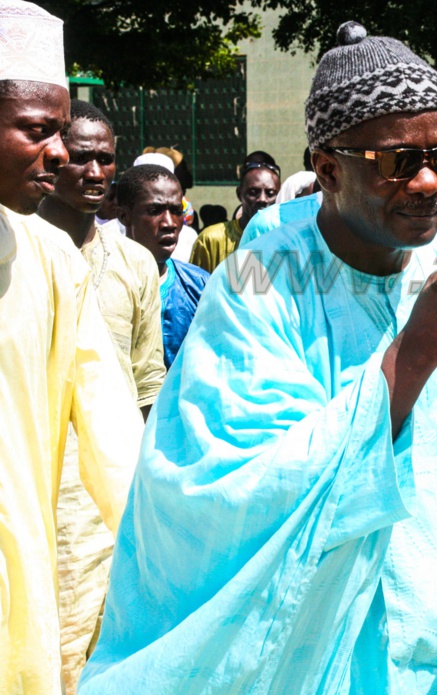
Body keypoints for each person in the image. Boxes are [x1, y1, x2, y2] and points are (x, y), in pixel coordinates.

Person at [80, 23, 437, 694]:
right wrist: (415, 353)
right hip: (319, 664)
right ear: (332, 167)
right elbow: (224, 492)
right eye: (402, 161)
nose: (430, 183)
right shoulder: (259, 287)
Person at [0, 3, 142, 693]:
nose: (59, 154)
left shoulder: (53, 261)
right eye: (37, 131)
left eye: (62, 131)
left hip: (21, 596)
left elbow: (119, 447)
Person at [36, 100, 166, 693]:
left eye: (105, 160)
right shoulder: (20, 252)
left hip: (109, 495)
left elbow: (147, 382)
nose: (92, 172)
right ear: (55, 155)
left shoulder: (136, 263)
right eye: (80, 157)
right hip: (33, 483)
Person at [118, 164, 209, 368]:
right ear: (124, 216)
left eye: (177, 211)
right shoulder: (99, 281)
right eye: (154, 211)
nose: (169, 223)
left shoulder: (201, 285)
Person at [190, 159, 280, 272]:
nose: (262, 199)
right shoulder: (211, 239)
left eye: (270, 193)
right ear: (239, 194)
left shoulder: (287, 241)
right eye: (253, 192)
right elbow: (196, 286)